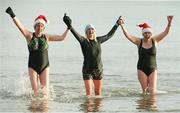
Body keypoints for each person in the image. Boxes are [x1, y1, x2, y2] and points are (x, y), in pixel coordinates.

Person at [5, 7, 70, 97]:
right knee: (35, 93)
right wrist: (12, 15)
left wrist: (69, 27)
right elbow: (20, 27)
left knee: (45, 93)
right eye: (38, 25)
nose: (39, 27)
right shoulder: (29, 36)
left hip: (45, 66)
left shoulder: (47, 37)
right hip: (33, 67)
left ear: (44, 27)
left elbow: (62, 38)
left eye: (41, 25)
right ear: (34, 26)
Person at [63, 14, 121, 97]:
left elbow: (109, 35)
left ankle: (97, 110)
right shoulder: (83, 41)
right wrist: (69, 25)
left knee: (98, 94)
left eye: (92, 29)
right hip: (87, 70)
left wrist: (117, 24)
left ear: (94, 31)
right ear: (86, 32)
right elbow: (75, 34)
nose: (90, 31)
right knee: (89, 94)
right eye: (88, 30)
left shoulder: (99, 40)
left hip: (98, 69)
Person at [118, 16, 173, 94]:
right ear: (143, 33)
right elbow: (128, 35)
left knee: (152, 91)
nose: (147, 35)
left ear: (151, 33)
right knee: (145, 92)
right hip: (141, 69)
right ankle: (144, 106)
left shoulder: (155, 40)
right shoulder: (139, 41)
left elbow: (165, 33)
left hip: (153, 69)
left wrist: (169, 23)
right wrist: (122, 25)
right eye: (145, 33)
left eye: (149, 33)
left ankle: (152, 106)